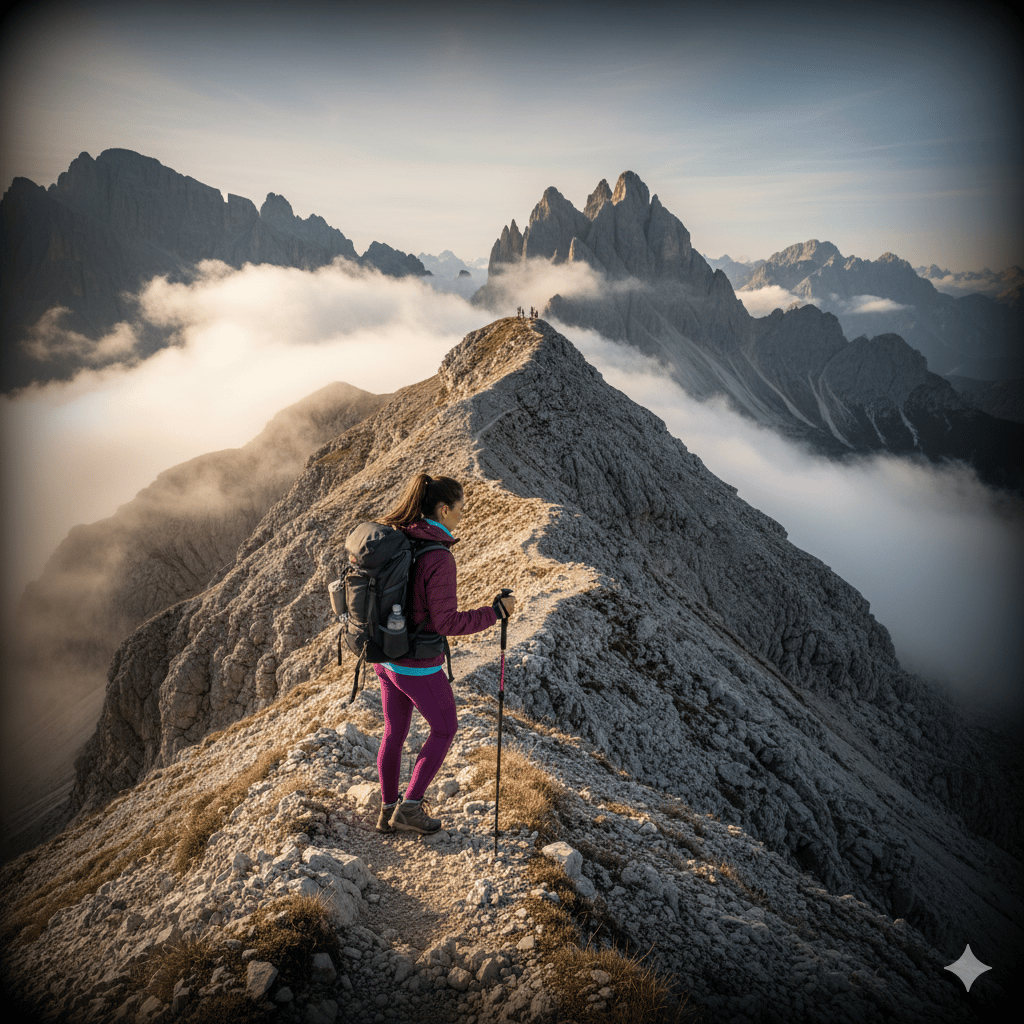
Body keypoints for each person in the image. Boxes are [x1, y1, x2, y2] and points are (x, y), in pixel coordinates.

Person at [373, 473, 516, 835]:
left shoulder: (401, 537)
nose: (463, 516)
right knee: (444, 728)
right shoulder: (438, 556)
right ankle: (410, 808)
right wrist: (495, 612)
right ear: (443, 509)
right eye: (460, 509)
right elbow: (447, 623)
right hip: (416, 664)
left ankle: (387, 808)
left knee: (394, 732)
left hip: (385, 656)